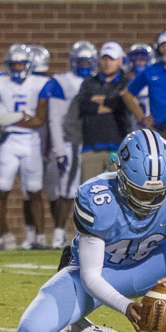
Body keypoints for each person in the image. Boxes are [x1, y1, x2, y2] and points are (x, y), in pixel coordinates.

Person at [16, 129, 166, 332]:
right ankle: (78, 329)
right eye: (140, 192)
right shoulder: (97, 198)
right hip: (102, 275)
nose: (149, 200)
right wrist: (125, 306)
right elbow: (91, 276)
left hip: (150, 266)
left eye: (158, 193)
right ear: (121, 176)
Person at [0, 45, 52, 250]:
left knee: (34, 191)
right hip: (9, 141)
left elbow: (39, 120)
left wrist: (7, 120)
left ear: (29, 65)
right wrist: (22, 117)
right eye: (13, 63)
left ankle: (39, 237)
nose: (16, 67)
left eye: (20, 63)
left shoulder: (40, 83)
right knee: (1, 190)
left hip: (31, 141)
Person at [45, 41, 97, 249]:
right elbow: (54, 118)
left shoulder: (97, 82)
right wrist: (58, 149)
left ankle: (89, 234)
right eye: (80, 61)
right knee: (67, 190)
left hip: (93, 142)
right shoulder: (61, 82)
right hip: (70, 141)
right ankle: (58, 232)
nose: (84, 65)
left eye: (87, 61)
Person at [72, 42, 145, 177]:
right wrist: (111, 103)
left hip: (119, 146)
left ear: (120, 61)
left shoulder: (127, 82)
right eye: (104, 59)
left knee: (120, 192)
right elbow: (83, 106)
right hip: (91, 145)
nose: (107, 63)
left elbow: (121, 105)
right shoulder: (89, 82)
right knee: (89, 192)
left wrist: (99, 100)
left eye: (111, 59)